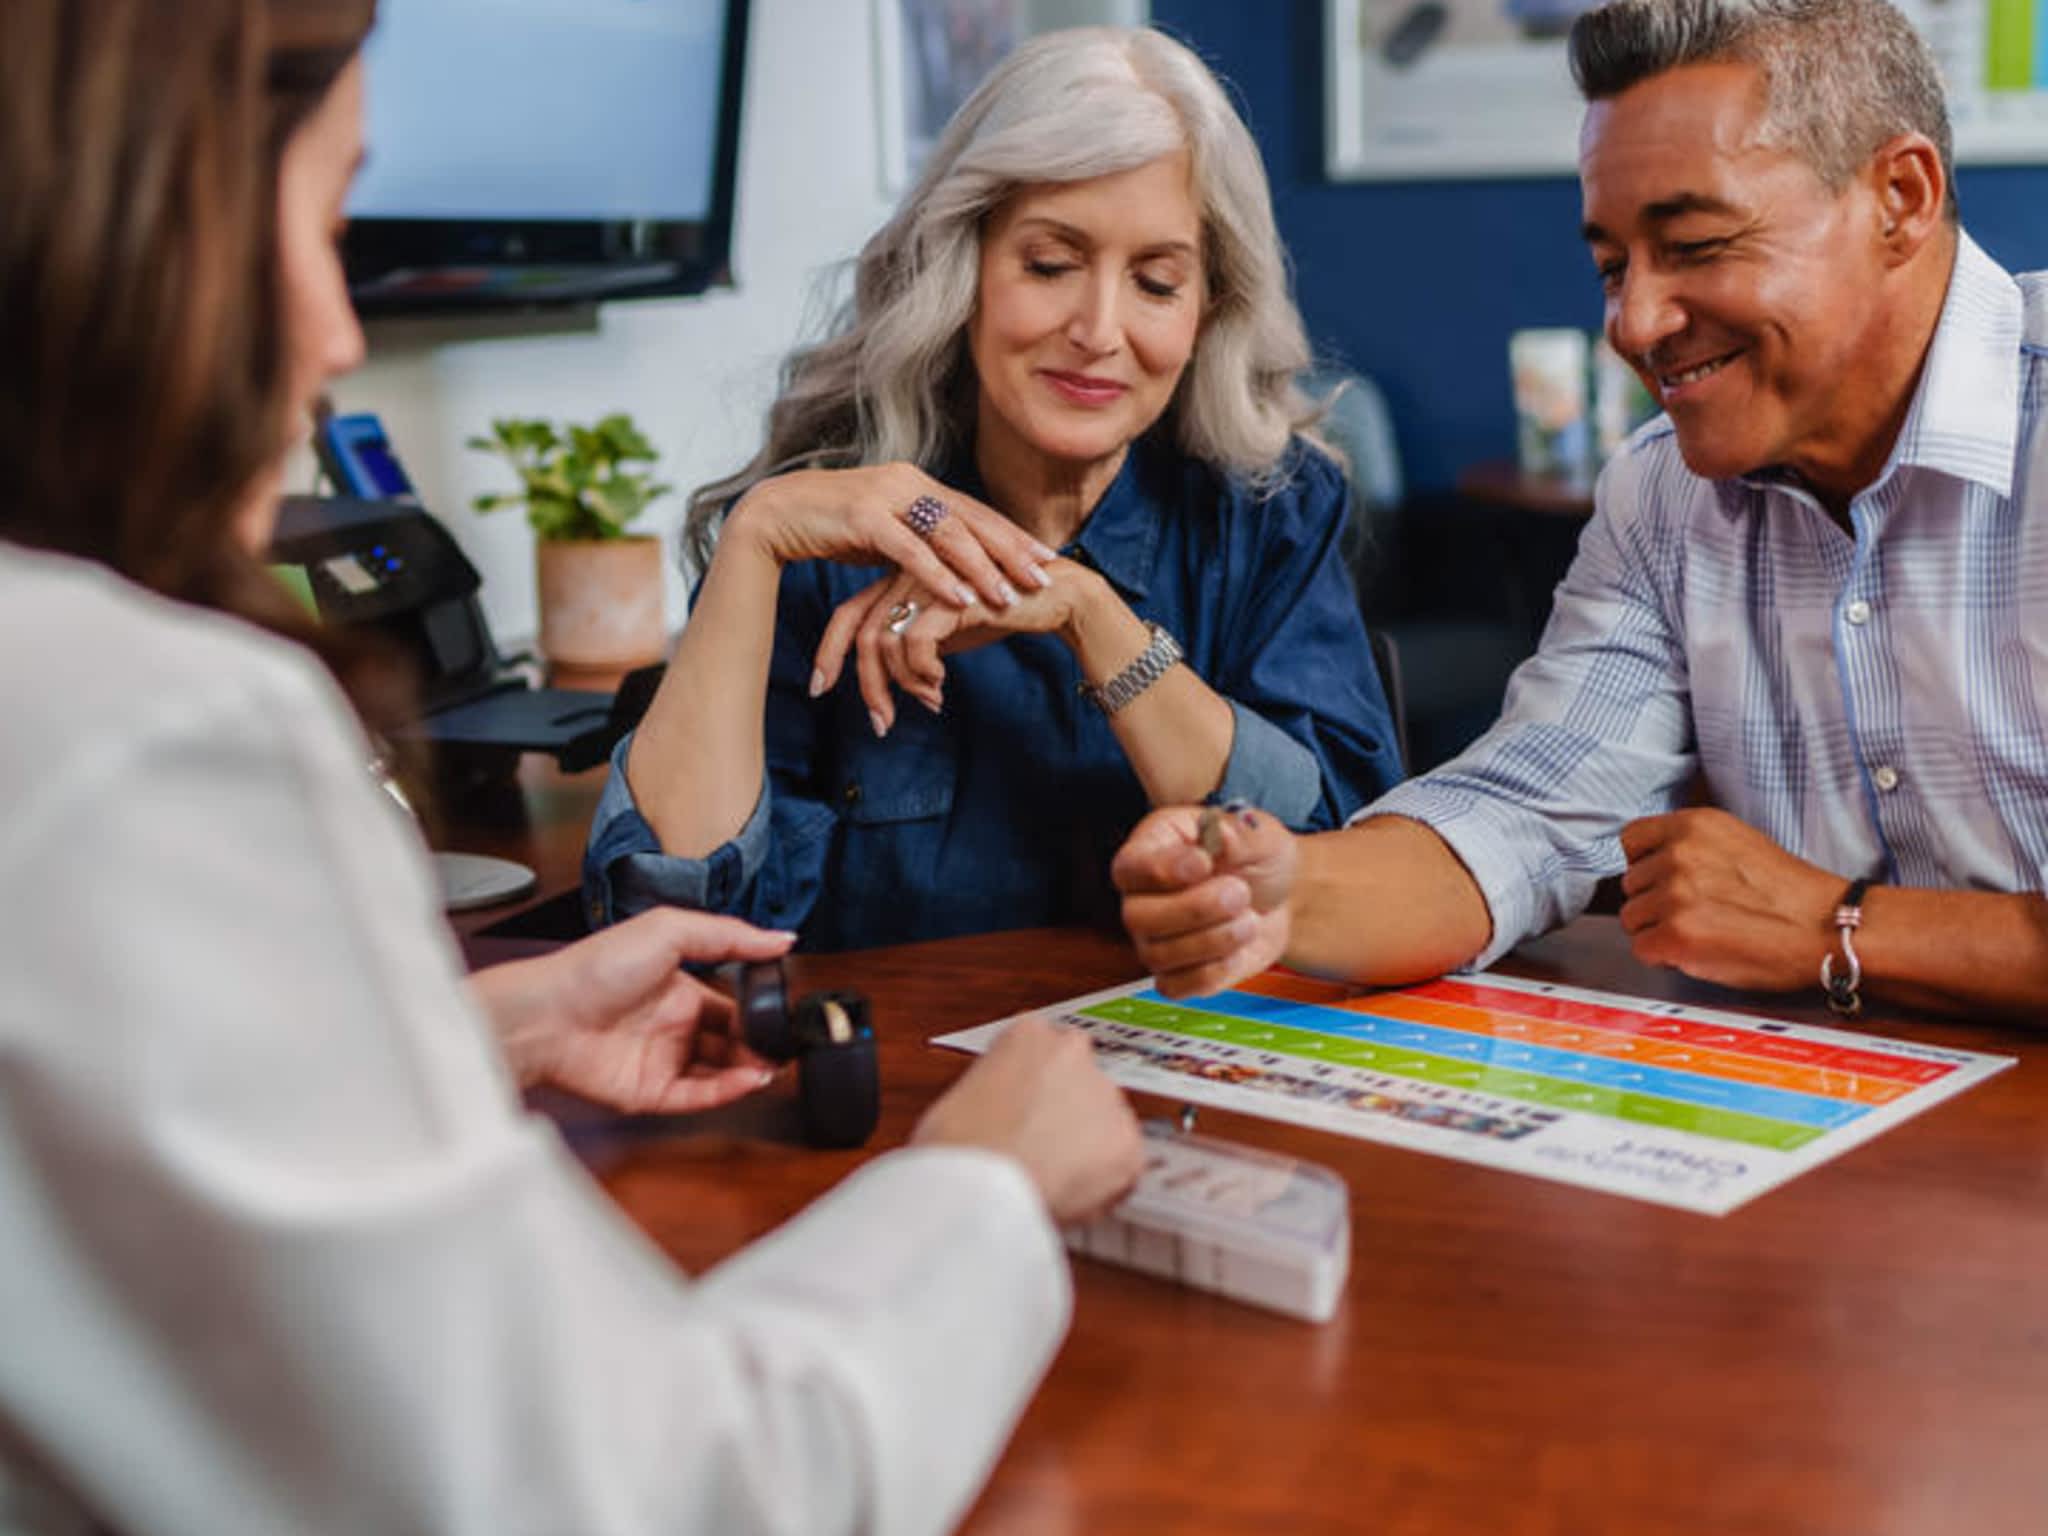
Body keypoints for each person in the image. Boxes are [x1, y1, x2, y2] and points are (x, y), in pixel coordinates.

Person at [0, 3, 1144, 1532]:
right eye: (325, 227)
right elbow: (650, 1493)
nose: (337, 339)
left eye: (1156, 276)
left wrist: (484, 1027)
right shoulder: (151, 736)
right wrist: (985, 1194)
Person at [1115, 0, 2048, 1021]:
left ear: (1899, 199)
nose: (1632, 323)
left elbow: (1808, 924)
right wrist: (1282, 890)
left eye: (1696, 244)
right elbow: (1524, 812)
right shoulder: (1661, 490)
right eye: (1611, 266)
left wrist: (1833, 926)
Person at [586, 27, 1401, 951]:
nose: (1098, 330)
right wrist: (756, 531)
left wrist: (1091, 616)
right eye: (1050, 265)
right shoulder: (819, 533)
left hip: (1191, 1038)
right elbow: (672, 924)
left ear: (1207, 309)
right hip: (902, 1047)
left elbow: (1343, 865)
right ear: (962, 266)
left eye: (1156, 282)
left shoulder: (1266, 511)